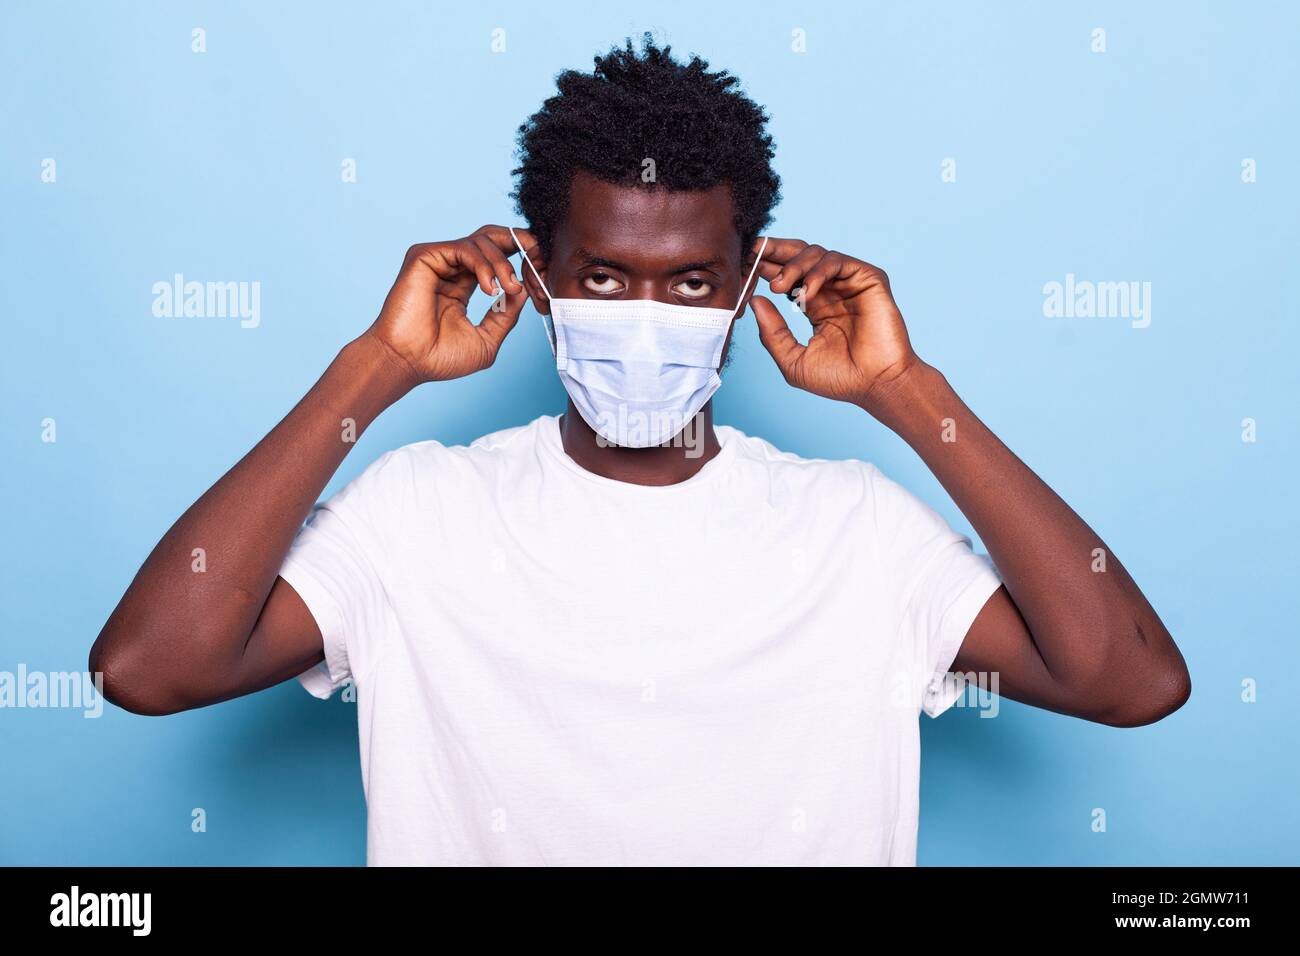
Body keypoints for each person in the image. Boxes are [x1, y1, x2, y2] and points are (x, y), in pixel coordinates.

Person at [90, 36, 1190, 866]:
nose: (646, 314)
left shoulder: (852, 527)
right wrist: (374, 367)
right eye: (606, 278)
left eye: (691, 282)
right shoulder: (420, 512)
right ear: (540, 279)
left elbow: (1129, 679)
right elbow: (150, 666)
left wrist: (907, 391)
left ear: (747, 281)